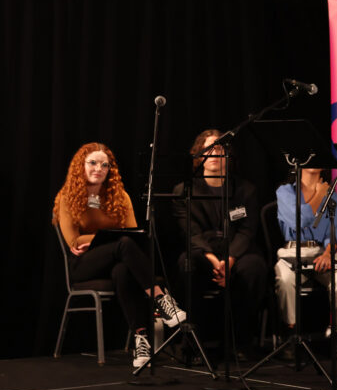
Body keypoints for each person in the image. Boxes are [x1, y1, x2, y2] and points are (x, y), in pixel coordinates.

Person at [53, 142, 186, 368]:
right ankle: (161, 299)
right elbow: (74, 242)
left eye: (104, 165)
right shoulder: (68, 197)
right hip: (84, 265)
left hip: (119, 260)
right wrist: (108, 239)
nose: (98, 168)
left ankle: (141, 339)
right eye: (92, 163)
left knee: (124, 269)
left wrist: (98, 239)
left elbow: (133, 234)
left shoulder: (119, 196)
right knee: (123, 245)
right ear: (80, 166)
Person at [172, 129, 267, 359]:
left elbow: (247, 231)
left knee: (255, 267)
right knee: (186, 263)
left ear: (229, 155)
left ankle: (240, 342)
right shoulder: (184, 191)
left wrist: (230, 260)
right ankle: (193, 343)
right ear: (198, 155)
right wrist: (214, 261)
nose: (214, 153)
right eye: (208, 148)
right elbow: (190, 233)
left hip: (236, 251)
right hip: (203, 253)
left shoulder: (245, 190)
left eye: (220, 148)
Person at [274, 167, 337, 357]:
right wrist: (319, 195)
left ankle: (336, 333)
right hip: (292, 250)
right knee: (284, 280)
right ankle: (291, 333)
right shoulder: (285, 192)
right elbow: (299, 222)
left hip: (322, 252)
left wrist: (327, 253)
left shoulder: (333, 197)